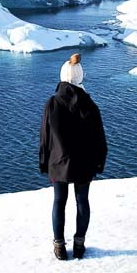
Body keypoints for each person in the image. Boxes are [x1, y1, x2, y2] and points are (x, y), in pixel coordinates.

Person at [39, 57, 107, 261]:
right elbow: (99, 137)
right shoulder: (90, 104)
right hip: (85, 162)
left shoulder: (52, 102)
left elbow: (45, 136)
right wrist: (99, 161)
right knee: (82, 200)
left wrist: (44, 162)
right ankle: (79, 244)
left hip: (57, 162)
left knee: (59, 201)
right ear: (80, 76)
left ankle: (59, 246)